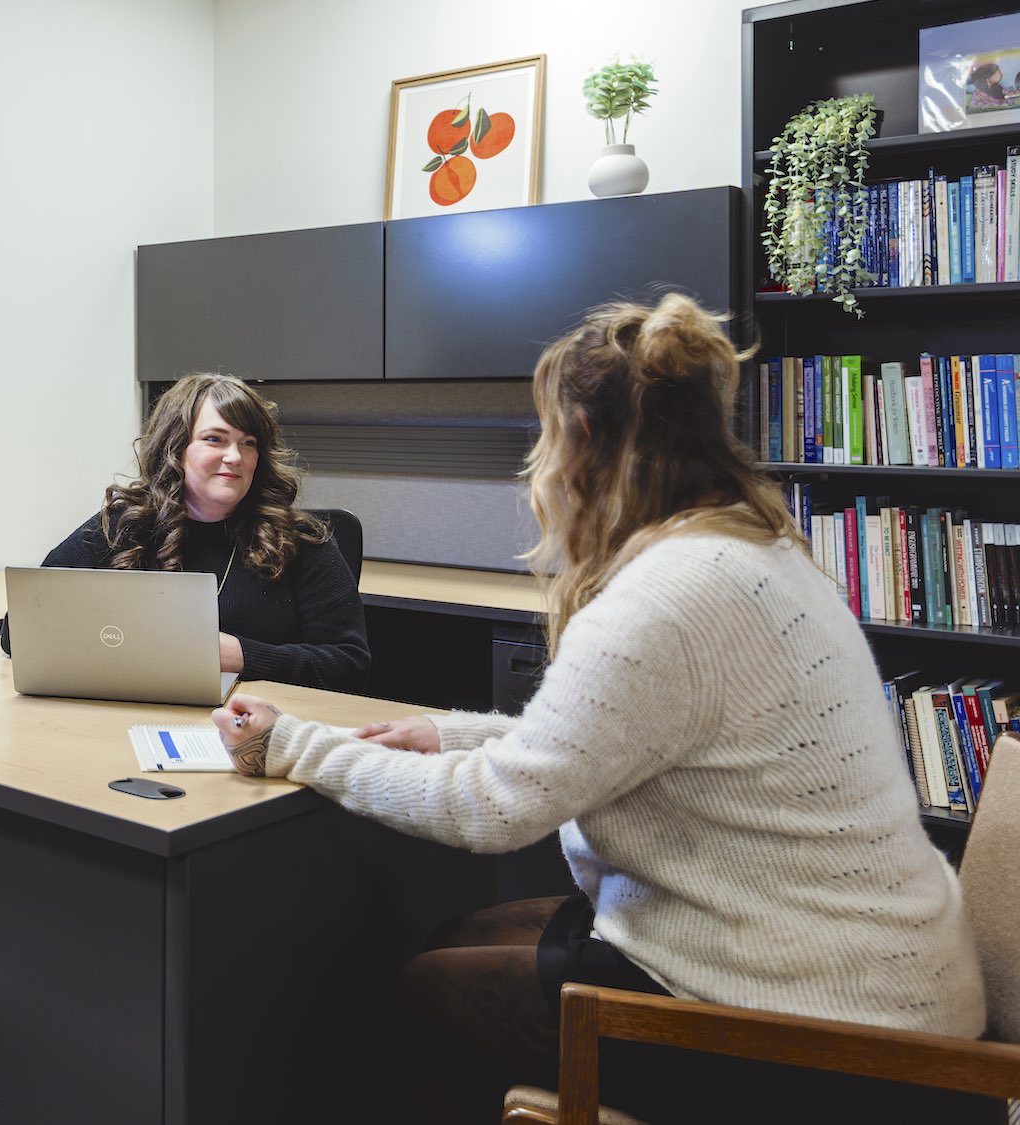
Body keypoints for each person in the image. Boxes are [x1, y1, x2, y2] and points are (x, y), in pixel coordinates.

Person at [215, 296, 988, 1123]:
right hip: (868, 975)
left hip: (826, 1036)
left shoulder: (665, 595)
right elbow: (632, 735)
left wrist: (293, 745)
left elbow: (493, 808)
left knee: (421, 985)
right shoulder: (751, 547)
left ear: (582, 436)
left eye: (544, 433)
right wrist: (450, 731)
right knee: (458, 931)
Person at [4, 372, 368, 694]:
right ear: (175, 448)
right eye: (215, 439)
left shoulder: (302, 542)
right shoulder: (124, 525)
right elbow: (21, 628)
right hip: (128, 718)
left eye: (248, 442)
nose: (235, 456)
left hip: (250, 731)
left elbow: (349, 664)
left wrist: (238, 655)